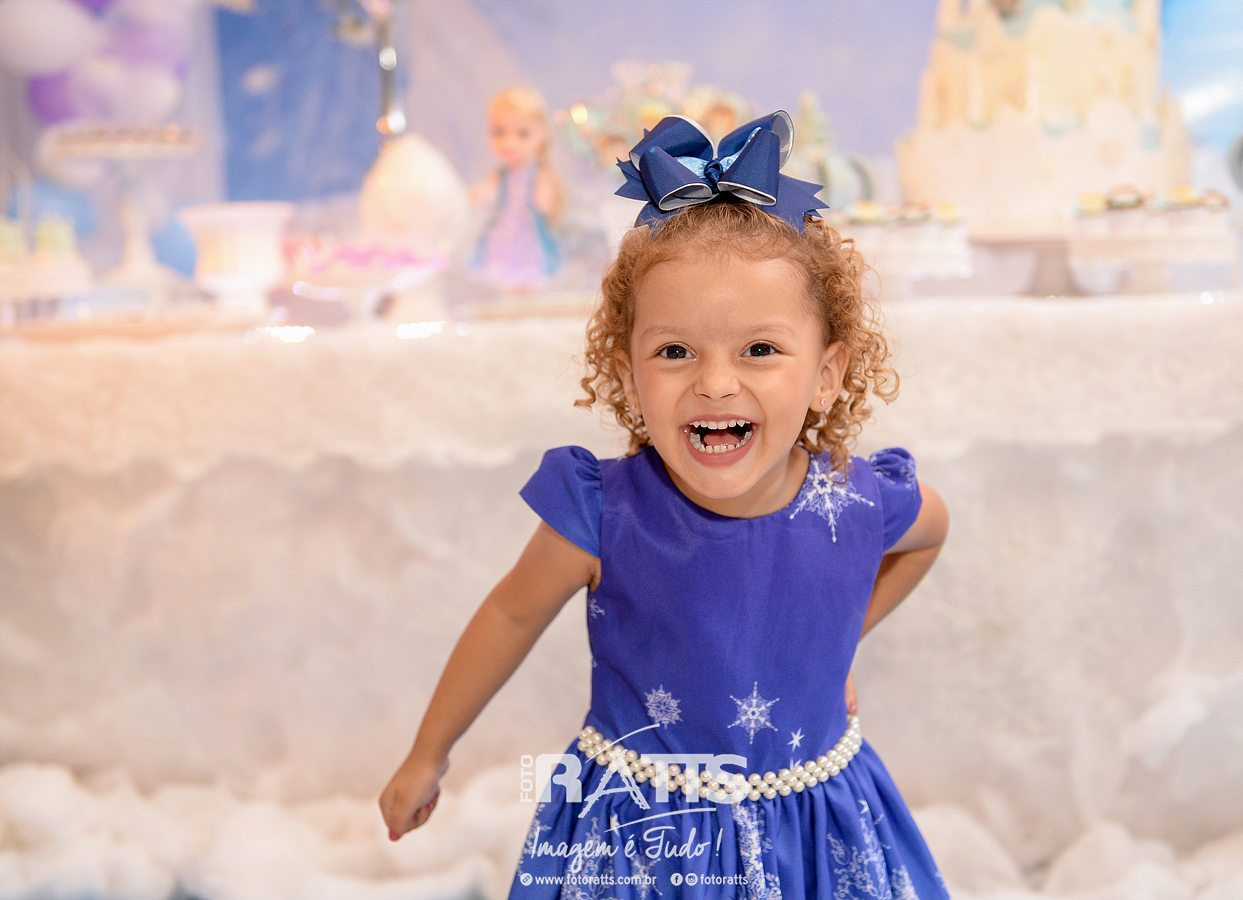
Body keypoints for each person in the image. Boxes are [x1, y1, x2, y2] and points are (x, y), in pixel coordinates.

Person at [379, 110, 951, 898]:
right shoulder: (605, 515)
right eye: (674, 351)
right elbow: (510, 616)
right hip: (642, 841)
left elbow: (929, 535)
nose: (714, 383)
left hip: (814, 834)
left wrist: (839, 644)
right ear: (627, 373)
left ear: (825, 374)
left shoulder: (858, 500)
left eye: (759, 349)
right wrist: (428, 753)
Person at [467, 86, 563, 292]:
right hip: (505, 230)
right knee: (504, 270)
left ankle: (526, 292)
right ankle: (511, 292)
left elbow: (546, 203)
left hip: (528, 230)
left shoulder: (539, 174)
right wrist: (477, 194)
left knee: (530, 266)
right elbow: (486, 192)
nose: (509, 143)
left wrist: (546, 198)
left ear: (542, 136)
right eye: (498, 132)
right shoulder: (501, 174)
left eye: (523, 134)